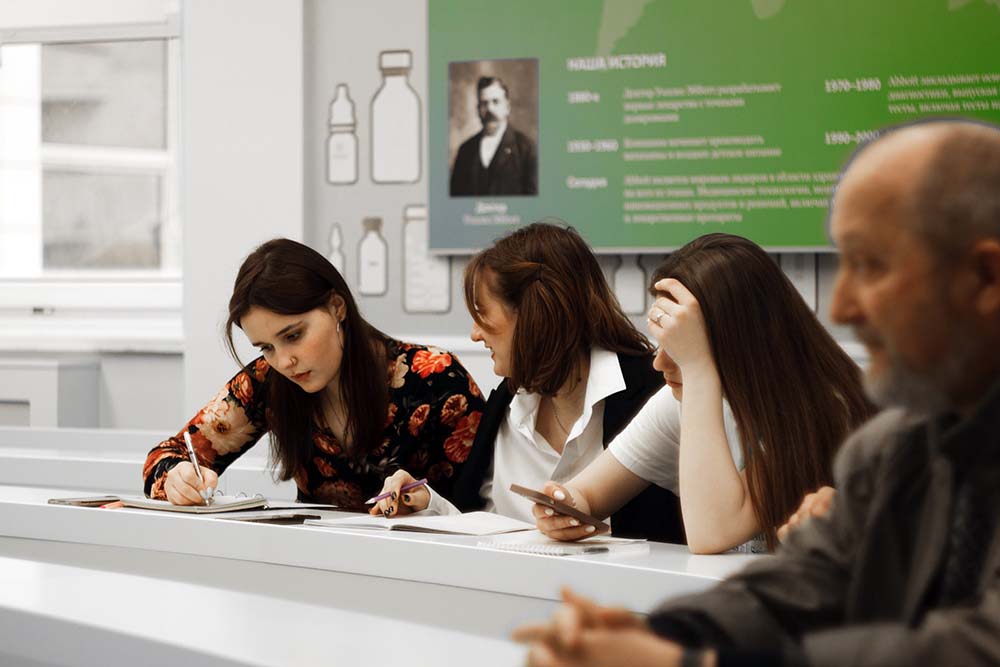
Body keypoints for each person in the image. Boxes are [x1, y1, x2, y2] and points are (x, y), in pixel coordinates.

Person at [513, 117, 1000, 666]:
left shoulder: (836, 414)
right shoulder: (893, 447)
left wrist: (688, 661)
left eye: (871, 266)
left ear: (986, 278)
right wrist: (665, 635)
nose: (841, 307)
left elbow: (967, 649)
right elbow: (796, 584)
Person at [532, 233, 872, 553]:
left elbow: (712, 534)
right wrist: (566, 507)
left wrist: (697, 367)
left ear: (738, 343)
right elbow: (588, 494)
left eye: (680, 347)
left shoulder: (826, 408)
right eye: (662, 345)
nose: (658, 364)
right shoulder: (678, 400)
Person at [370, 222, 685, 543]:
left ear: (536, 314)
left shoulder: (657, 391)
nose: (475, 334)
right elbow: (482, 525)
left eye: (482, 313)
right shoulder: (506, 401)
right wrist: (426, 504)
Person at [143, 238, 486, 508]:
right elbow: (167, 454)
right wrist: (176, 477)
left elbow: (484, 503)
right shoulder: (266, 381)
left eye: (293, 336)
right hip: (315, 562)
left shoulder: (436, 378)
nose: (284, 361)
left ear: (337, 307)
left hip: (429, 564)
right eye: (266, 347)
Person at [449, 76, 538, 197]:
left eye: (496, 102)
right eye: (484, 103)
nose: (490, 109)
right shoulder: (465, 150)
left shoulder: (527, 149)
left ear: (507, 107)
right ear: (478, 109)